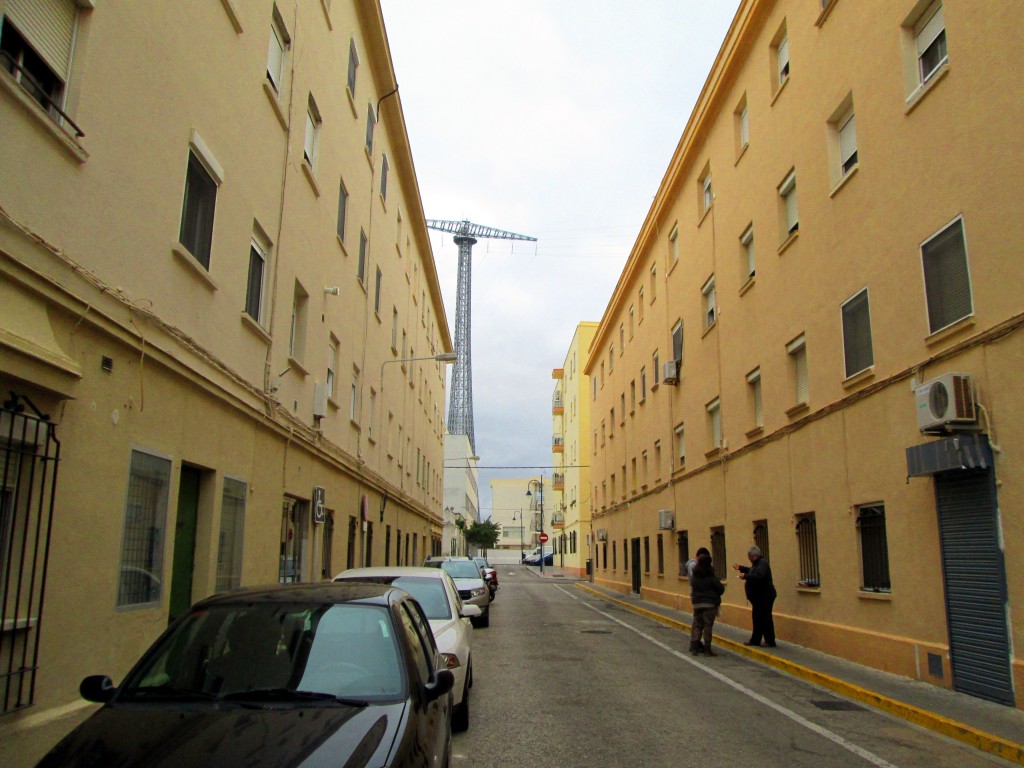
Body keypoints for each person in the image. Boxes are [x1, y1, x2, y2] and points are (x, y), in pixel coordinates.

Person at [732, 546, 777, 647]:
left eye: (749, 557)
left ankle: (769, 640)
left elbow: (759, 576)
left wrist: (745, 576)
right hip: (759, 597)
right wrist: (741, 568)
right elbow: (752, 571)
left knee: (765, 618)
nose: (749, 559)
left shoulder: (763, 563)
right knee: (757, 618)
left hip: (765, 596)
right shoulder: (757, 564)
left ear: (754, 556)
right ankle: (755, 640)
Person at [689, 554, 725, 656]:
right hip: (709, 604)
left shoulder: (695, 575)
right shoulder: (711, 576)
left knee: (697, 625)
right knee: (707, 626)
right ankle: (707, 649)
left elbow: (692, 587)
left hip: (697, 603)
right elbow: (720, 589)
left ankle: (695, 648)